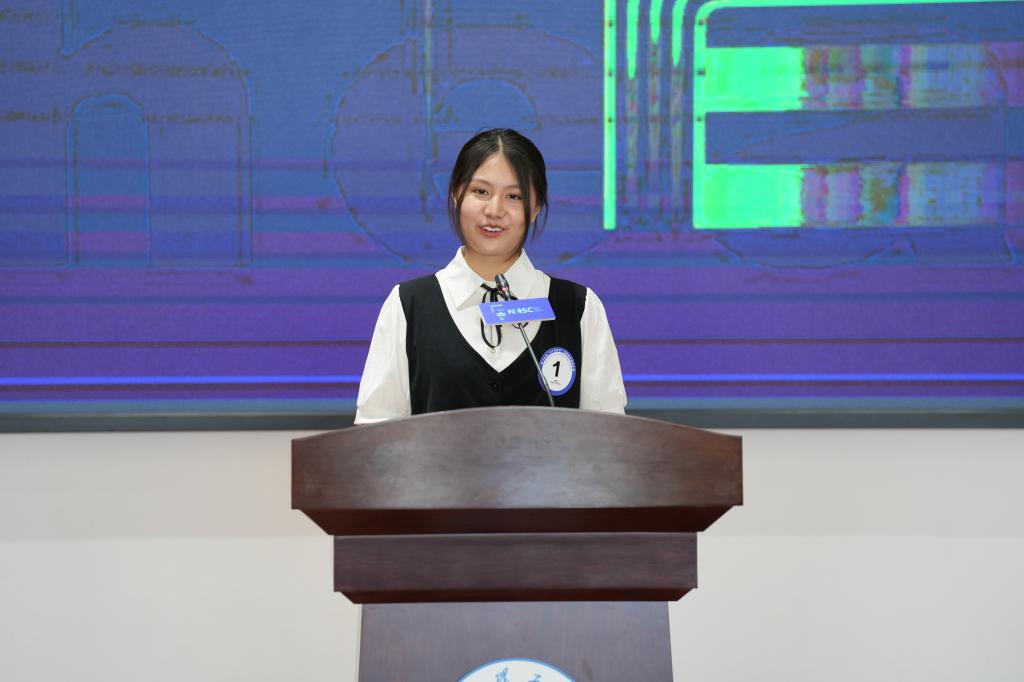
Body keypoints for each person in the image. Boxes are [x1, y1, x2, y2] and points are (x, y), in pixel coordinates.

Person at [354, 128, 626, 424]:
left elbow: (608, 437)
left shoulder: (579, 308)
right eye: (480, 192)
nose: (495, 210)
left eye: (514, 196)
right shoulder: (409, 306)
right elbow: (375, 437)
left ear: (535, 207)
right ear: (456, 193)